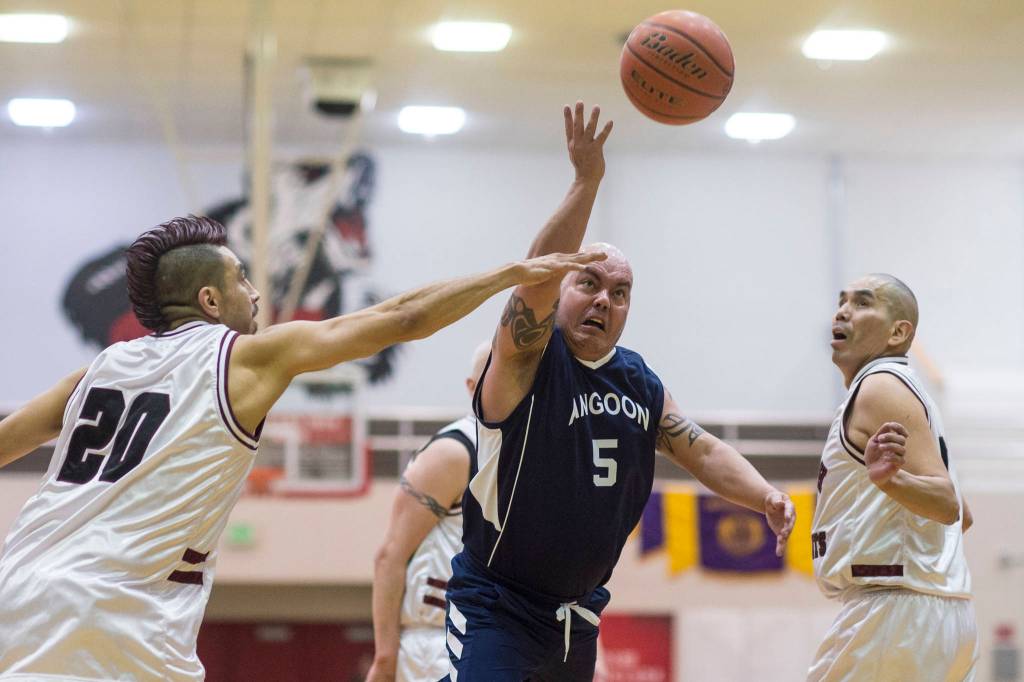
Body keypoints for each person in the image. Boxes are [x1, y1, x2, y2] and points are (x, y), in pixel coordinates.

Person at [0, 215, 603, 681]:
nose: (256, 293)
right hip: (115, 611)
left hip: (20, 591)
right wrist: (510, 275)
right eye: (241, 278)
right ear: (210, 302)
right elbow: (403, 317)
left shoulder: (98, 370)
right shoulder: (243, 356)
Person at [442, 102, 796, 681]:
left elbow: (701, 449)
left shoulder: (641, 382)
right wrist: (587, 182)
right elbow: (533, 278)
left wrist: (763, 496)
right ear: (564, 288)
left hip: (577, 619)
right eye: (590, 282)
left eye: (621, 292)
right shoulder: (528, 356)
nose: (605, 299)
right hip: (497, 608)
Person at [808, 273, 977, 681]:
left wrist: (892, 483)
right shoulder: (904, 392)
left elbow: (946, 503)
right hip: (934, 612)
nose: (843, 311)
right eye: (842, 301)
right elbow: (963, 517)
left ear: (898, 332)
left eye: (863, 303)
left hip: (896, 613)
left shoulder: (880, 386)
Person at [367, 342, 489, 682]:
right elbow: (390, 556)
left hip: (496, 639)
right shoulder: (454, 451)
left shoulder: (525, 453)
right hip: (437, 643)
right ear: (472, 387)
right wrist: (385, 657)